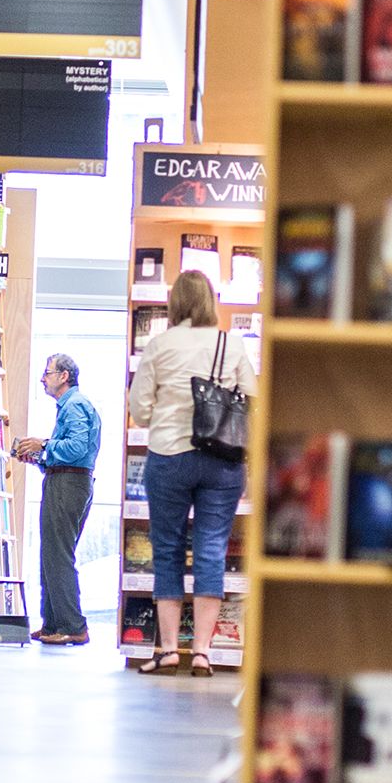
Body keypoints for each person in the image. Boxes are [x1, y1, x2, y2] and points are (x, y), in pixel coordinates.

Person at [122, 271, 253, 675]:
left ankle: (165, 651)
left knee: (167, 549)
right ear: (212, 301)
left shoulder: (160, 344)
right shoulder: (230, 343)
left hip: (169, 456)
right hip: (223, 460)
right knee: (212, 549)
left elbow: (139, 407)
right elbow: (252, 396)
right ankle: (202, 652)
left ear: (175, 302)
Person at [13, 354, 99, 644]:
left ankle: (73, 625)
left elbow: (77, 447)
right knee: (52, 553)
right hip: (65, 479)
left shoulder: (74, 405)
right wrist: (39, 456)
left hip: (69, 483)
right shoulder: (71, 406)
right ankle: (52, 623)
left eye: (47, 373)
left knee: (59, 554)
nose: (42, 378)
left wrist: (44, 444)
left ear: (64, 376)